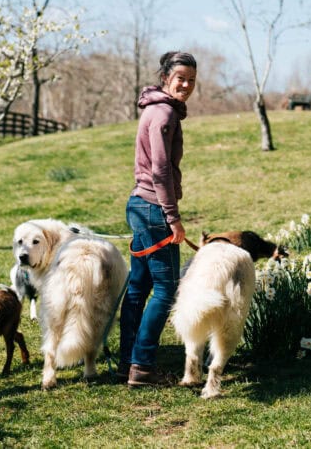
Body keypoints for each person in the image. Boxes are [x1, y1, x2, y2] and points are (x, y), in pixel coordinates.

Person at [118, 51, 197, 387]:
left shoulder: (155, 108)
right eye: (181, 78)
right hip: (153, 210)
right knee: (166, 289)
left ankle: (127, 363)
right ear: (166, 77)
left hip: (139, 205)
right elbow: (160, 170)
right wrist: (173, 218)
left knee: (139, 288)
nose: (187, 85)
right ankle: (143, 366)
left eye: (192, 80)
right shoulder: (164, 114)